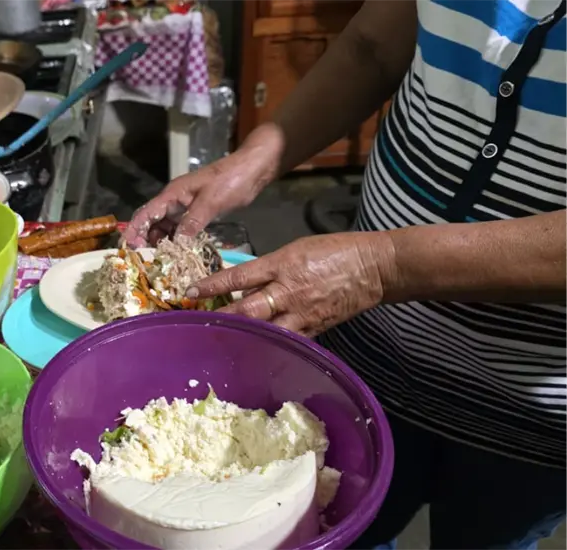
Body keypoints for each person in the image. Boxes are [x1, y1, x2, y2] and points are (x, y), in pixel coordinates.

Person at [123, 0, 566, 548]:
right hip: (366, 350)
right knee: (331, 527)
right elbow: (372, 47)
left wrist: (381, 267)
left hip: (525, 410)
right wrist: (252, 161)